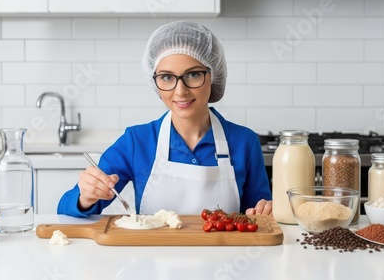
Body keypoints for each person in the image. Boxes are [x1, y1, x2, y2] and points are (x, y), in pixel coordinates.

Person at [57, 20, 272, 217]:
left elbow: (260, 214)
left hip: (226, 257)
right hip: (151, 258)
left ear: (213, 75)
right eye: (167, 77)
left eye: (193, 74)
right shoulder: (137, 141)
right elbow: (65, 208)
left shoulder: (244, 142)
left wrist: (265, 210)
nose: (180, 91)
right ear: (155, 81)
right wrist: (86, 197)